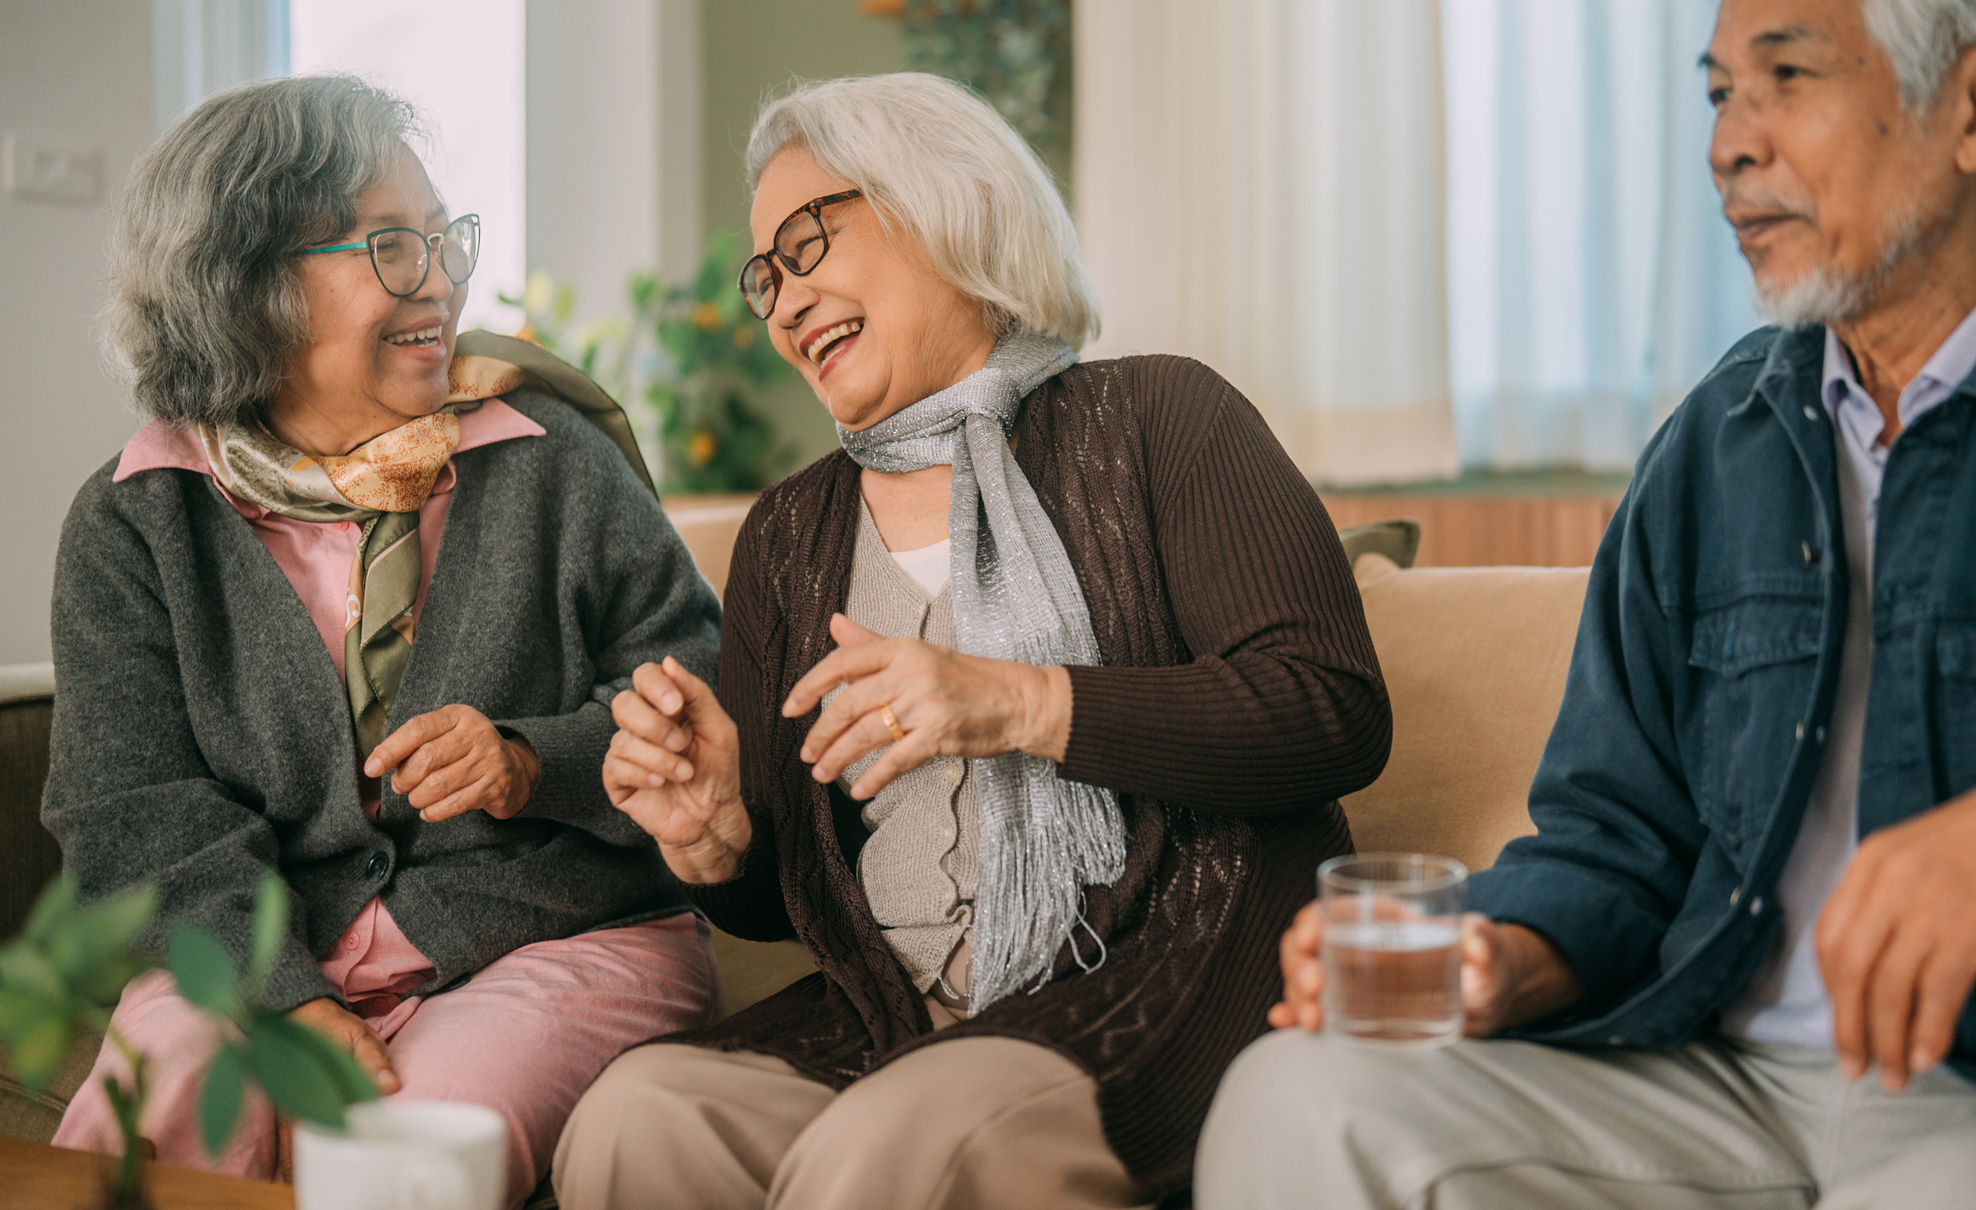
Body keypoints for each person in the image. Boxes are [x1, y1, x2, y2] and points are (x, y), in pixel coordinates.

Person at [1198, 0, 1976, 1210]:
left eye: (1784, 80)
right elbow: (1614, 836)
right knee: (1301, 1095)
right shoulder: (1720, 437)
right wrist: (1503, 947)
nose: (1727, 147)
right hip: (1709, 1074)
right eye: (1716, 95)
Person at [550, 71, 1392, 1209]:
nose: (786, 300)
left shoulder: (1161, 418)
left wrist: (1022, 703)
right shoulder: (788, 531)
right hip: (883, 1010)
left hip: (1151, 973)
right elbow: (779, 897)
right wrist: (718, 834)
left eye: (810, 242)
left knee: (913, 1136)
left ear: (946, 202)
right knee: (634, 1117)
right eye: (767, 276)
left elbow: (1327, 705)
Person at [45, 76, 722, 1205]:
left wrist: (529, 756)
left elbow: (693, 681)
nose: (446, 280)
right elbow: (132, 808)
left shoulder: (549, 458)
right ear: (251, 286)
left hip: (549, 935)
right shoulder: (136, 520)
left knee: (403, 1157)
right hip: (252, 949)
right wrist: (287, 997)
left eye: (444, 239)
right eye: (393, 246)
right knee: (156, 1117)